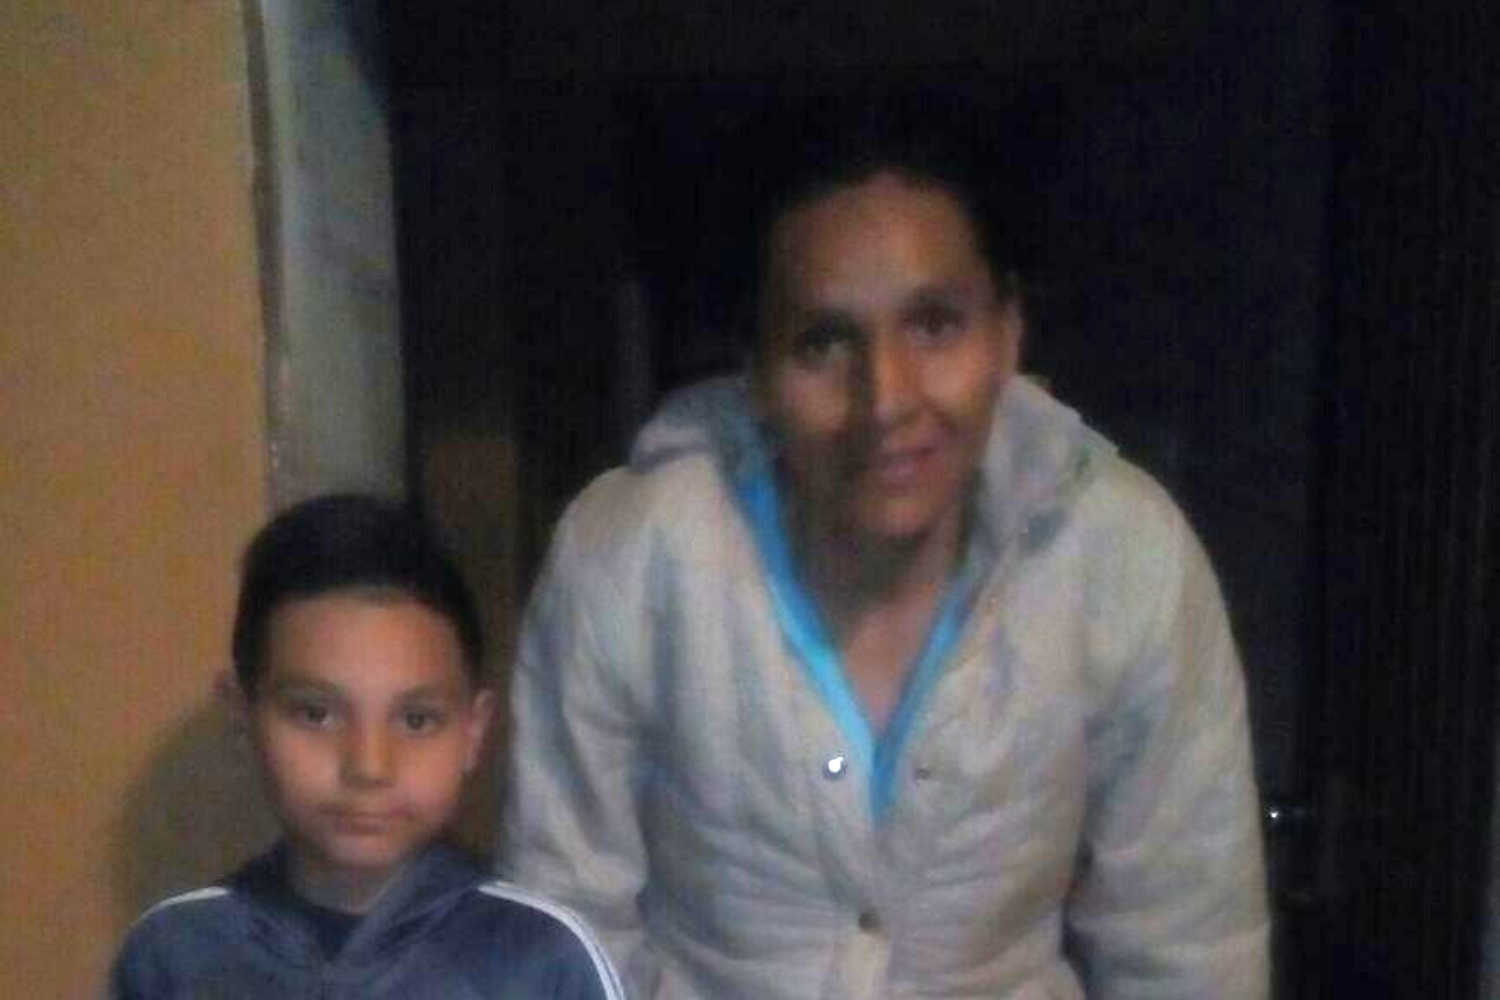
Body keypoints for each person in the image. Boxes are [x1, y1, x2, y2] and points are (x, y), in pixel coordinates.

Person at [501, 110, 1269, 1000]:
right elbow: (564, 936)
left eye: (935, 325)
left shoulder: (1124, 558)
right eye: (824, 342)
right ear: (756, 370)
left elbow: (1186, 948)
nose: (886, 400)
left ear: (1008, 331)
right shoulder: (632, 559)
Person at [108, 494, 625, 1000]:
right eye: (316, 714)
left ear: (473, 731)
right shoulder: (174, 954)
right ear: (243, 717)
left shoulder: (542, 961)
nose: (369, 766)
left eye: (416, 720)